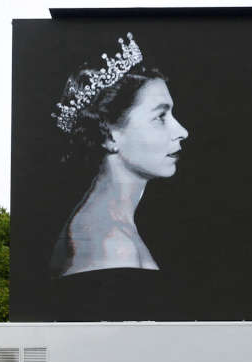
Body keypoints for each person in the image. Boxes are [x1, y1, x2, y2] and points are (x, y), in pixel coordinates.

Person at [50, 31, 189, 278]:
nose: (182, 131)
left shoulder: (107, 226)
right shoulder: (111, 247)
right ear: (110, 135)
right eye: (160, 117)